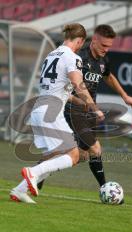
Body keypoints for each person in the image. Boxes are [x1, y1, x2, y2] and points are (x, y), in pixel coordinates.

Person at [10, 23, 104, 203]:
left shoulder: (51, 54)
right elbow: (78, 84)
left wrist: (79, 102)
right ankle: (33, 172)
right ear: (80, 41)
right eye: (81, 44)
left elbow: (62, 90)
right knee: (74, 155)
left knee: (53, 156)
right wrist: (93, 106)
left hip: (39, 109)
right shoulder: (72, 57)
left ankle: (19, 190)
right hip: (51, 111)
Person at [37, 24, 132, 192]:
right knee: (95, 149)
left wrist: (124, 96)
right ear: (94, 40)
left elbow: (108, 76)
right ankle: (106, 190)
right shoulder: (78, 57)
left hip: (90, 112)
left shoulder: (103, 59)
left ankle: (38, 172)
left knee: (79, 155)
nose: (106, 49)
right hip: (74, 109)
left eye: (109, 46)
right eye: (104, 45)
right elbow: (71, 84)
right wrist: (85, 104)